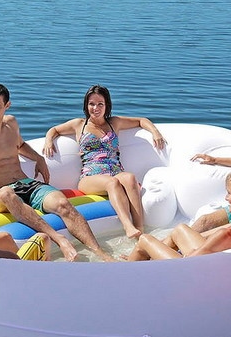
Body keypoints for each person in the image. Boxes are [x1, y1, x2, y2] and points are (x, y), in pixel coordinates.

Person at [0, 83, 113, 262]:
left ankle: (101, 253)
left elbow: (19, 145)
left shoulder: (11, 123)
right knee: (7, 194)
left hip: (27, 184)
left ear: (7, 105)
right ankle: (60, 239)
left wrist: (38, 158)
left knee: (63, 204)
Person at [42, 85, 166, 240]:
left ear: (107, 105)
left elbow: (142, 120)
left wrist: (155, 132)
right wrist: (48, 141)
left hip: (115, 170)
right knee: (112, 182)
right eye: (92, 104)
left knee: (130, 178)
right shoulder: (79, 124)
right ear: (86, 105)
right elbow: (54, 130)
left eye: (100, 104)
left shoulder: (114, 123)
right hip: (90, 177)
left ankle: (140, 230)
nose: (96, 108)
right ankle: (128, 226)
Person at [126, 170, 231, 261]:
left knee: (144, 240)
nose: (226, 198)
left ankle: (125, 270)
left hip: (188, 270)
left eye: (229, 193)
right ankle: (139, 259)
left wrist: (154, 249)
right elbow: (205, 238)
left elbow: (189, 264)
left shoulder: (228, 233)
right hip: (205, 261)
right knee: (180, 229)